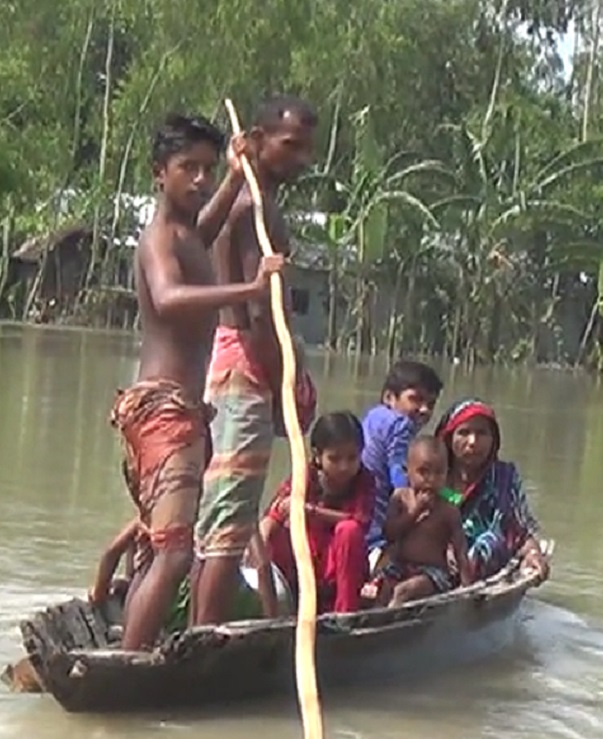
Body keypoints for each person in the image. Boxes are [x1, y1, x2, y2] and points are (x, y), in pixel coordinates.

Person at [109, 113, 286, 650]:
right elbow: (167, 298)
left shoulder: (188, 233)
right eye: (189, 169)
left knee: (159, 545)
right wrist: (247, 290)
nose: (200, 180)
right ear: (158, 173)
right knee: (175, 552)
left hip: (178, 410)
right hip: (162, 411)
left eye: (207, 170)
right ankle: (130, 664)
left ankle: (134, 646)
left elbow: (205, 234)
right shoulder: (159, 237)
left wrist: (237, 173)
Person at [197, 94, 318, 625]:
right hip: (245, 365)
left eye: (306, 149)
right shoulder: (253, 208)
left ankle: (202, 627)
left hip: (235, 361)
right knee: (228, 523)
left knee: (225, 514)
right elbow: (258, 312)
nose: (301, 160)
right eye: (290, 146)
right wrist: (286, 383)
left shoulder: (250, 203)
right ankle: (202, 638)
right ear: (257, 140)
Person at [258, 412, 375, 614]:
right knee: (274, 535)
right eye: (334, 459)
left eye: (352, 458)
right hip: (306, 563)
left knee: (349, 531)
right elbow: (273, 516)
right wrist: (261, 540)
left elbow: (359, 521)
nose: (344, 466)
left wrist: (311, 510)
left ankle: (344, 614)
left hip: (340, 568)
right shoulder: (305, 477)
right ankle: (276, 609)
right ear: (318, 456)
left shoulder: (364, 480)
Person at [87, 518, 282, 631]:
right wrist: (270, 623)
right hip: (236, 606)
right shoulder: (237, 508)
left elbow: (111, 553)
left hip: (175, 610)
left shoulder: (155, 514)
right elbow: (262, 565)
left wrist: (99, 592)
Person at [434, 399, 549, 581]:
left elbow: (518, 531)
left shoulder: (504, 478)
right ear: (449, 438)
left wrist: (533, 555)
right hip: (434, 565)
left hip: (483, 568)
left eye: (482, 433)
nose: (472, 442)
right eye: (464, 433)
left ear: (493, 439)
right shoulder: (431, 476)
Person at [362, 437, 472, 607]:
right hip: (399, 566)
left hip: (432, 573)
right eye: (423, 472)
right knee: (379, 590)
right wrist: (415, 512)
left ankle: (391, 622)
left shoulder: (449, 510)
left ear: (447, 474)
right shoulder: (400, 498)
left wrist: (467, 585)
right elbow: (389, 533)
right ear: (408, 472)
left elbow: (460, 548)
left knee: (405, 590)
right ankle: (371, 622)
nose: (431, 479)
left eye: (438, 473)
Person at [361, 360, 444, 560]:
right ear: (389, 397)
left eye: (431, 404)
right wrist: (450, 496)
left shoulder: (373, 416)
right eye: (416, 399)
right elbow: (399, 472)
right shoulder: (401, 424)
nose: (424, 410)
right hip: (375, 523)